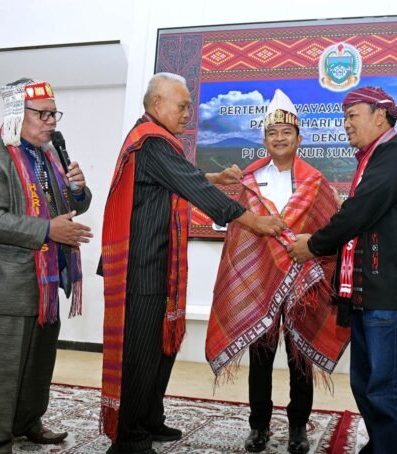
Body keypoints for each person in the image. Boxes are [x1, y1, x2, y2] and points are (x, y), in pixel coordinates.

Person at [100, 72, 285, 454]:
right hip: (142, 268)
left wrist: (214, 177)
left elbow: (183, 178)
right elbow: (192, 187)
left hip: (158, 265)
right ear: (157, 104)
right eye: (183, 106)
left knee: (159, 350)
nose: (188, 114)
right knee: (141, 355)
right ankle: (129, 439)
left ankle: (149, 419)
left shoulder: (155, 140)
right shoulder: (151, 142)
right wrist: (254, 222)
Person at [205, 89, 350, 454]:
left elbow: (328, 228)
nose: (280, 138)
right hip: (261, 282)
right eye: (273, 133)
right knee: (261, 358)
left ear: (299, 138)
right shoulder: (249, 180)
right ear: (265, 139)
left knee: (300, 358)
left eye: (287, 132)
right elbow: (236, 228)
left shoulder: (316, 182)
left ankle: (298, 426)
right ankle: (259, 426)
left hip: (304, 284)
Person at [288, 86, 397, 454]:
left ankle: (392, 447)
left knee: (387, 386)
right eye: (344, 116)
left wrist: (314, 244)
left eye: (352, 115)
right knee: (365, 382)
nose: (346, 124)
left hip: (388, 293)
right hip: (368, 293)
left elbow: (361, 210)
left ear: (379, 117)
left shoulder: (396, 155)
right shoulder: (374, 158)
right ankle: (386, 443)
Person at [0, 78, 93, 453]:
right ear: (18, 112)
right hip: (2, 283)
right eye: (42, 114)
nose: (51, 122)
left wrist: (78, 190)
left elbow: (71, 207)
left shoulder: (49, 156)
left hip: (45, 281)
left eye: (54, 114)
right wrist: (48, 229)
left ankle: (27, 422)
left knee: (37, 364)